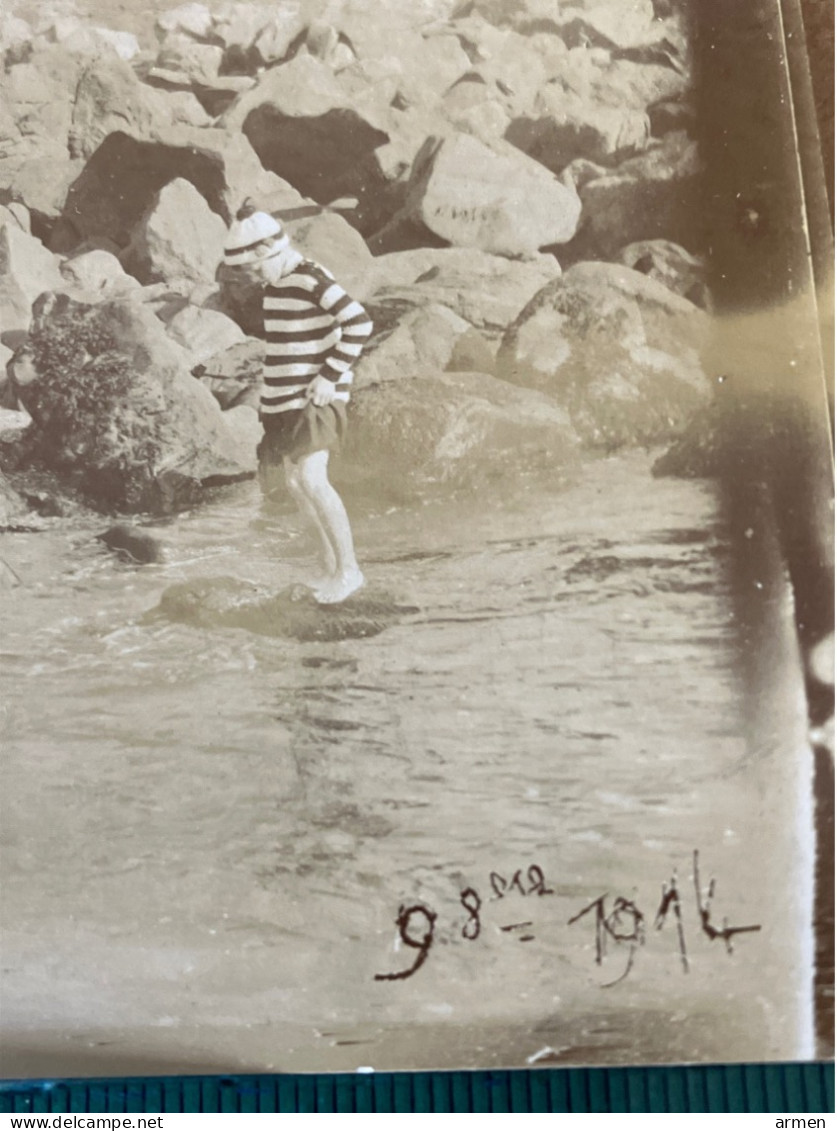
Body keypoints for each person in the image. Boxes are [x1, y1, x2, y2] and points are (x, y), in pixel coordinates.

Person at [222, 201, 373, 604]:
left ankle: (350, 571)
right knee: (294, 482)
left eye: (254, 271)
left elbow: (359, 322)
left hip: (316, 397)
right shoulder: (277, 285)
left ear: (268, 253)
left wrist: (330, 376)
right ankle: (329, 567)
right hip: (286, 399)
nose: (253, 280)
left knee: (312, 478)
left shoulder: (308, 278)